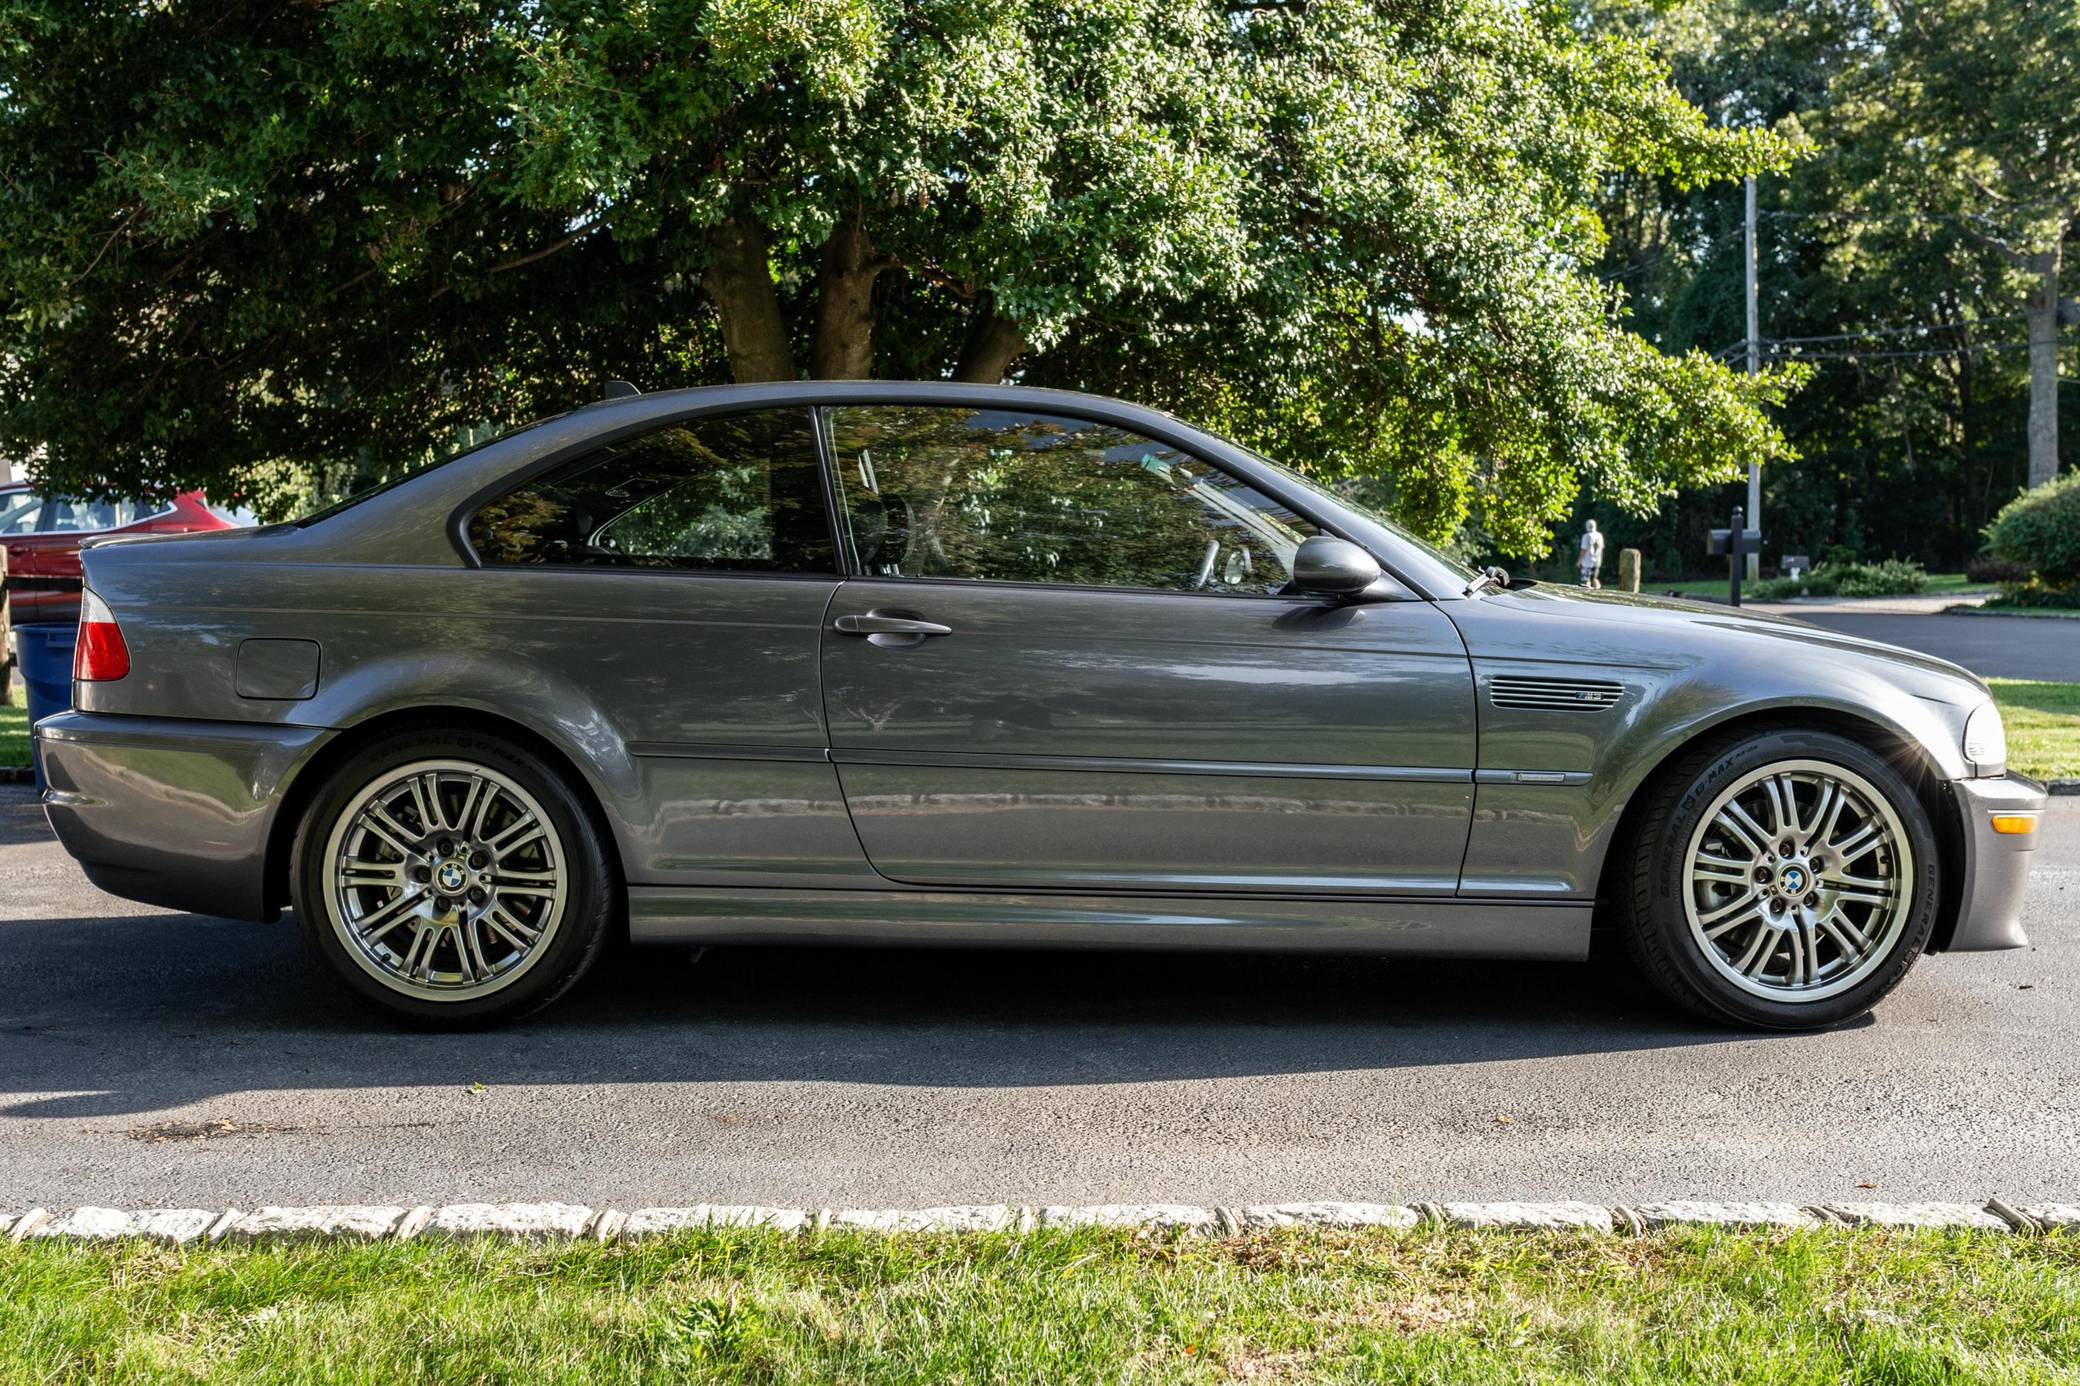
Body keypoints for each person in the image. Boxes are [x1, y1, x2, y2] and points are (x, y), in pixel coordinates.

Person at [1577, 519, 1605, 588]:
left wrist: (1579, 561)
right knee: (1594, 578)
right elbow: (1601, 548)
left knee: (1586, 580)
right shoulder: (1600, 535)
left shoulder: (1586, 536)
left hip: (1587, 562)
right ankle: (1598, 590)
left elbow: (1583, 550)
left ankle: (1587, 592)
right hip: (1597, 561)